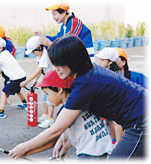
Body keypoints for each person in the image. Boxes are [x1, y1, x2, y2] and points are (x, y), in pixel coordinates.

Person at [8, 35, 146, 160]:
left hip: (141, 123)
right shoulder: (91, 72)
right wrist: (64, 139)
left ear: (73, 60)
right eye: (54, 63)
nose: (55, 68)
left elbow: (55, 130)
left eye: (59, 63)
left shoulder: (84, 85)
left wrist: (23, 148)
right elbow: (64, 126)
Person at [36, 70, 113, 160]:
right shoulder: (81, 102)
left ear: (59, 89)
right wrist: (63, 146)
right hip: (101, 146)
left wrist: (24, 149)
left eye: (47, 94)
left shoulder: (66, 111)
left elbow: (52, 135)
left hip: (89, 153)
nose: (47, 99)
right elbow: (79, 130)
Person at [20, 36, 55, 128]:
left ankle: (50, 119)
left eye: (33, 51)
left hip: (52, 79)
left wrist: (26, 82)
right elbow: (40, 70)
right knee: (44, 99)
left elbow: (37, 71)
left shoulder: (45, 56)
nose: (33, 53)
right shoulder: (39, 55)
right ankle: (46, 115)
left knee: (50, 100)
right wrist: (35, 81)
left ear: (39, 48)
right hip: (46, 79)